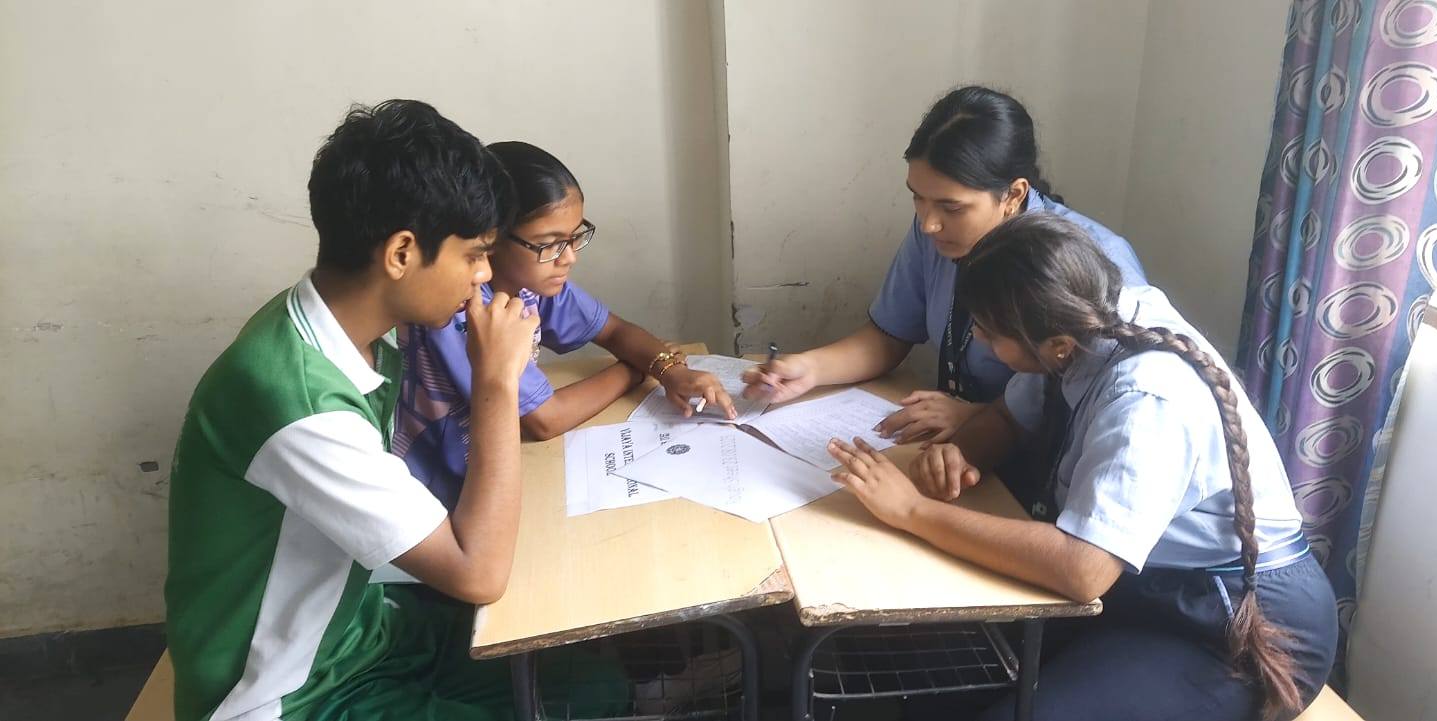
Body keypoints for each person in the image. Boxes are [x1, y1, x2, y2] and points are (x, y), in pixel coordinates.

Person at [825, 213, 1336, 720]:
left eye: (989, 332)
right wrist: (961, 454)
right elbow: (1007, 416)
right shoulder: (1075, 316)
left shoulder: (1148, 399)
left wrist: (912, 511)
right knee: (931, 670)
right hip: (1143, 586)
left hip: (1237, 625)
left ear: (1057, 346)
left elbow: (1082, 570)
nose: (978, 338)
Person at [164, 100, 569, 720]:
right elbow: (479, 572)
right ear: (402, 252)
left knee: (589, 681)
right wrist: (497, 383)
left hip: (360, 635)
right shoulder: (298, 401)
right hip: (285, 692)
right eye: (473, 255)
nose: (484, 275)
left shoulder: (351, 327)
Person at [744, 85, 1146, 446]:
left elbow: (1097, 409)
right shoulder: (936, 235)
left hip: (1039, 465)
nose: (928, 223)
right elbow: (890, 334)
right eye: (917, 198)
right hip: (956, 444)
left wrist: (978, 417)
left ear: (1013, 194)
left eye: (951, 207)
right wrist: (809, 368)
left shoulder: (1098, 264)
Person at [393, 141, 736, 508]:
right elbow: (545, 420)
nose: (568, 257)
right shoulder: (460, 311)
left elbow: (615, 331)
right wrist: (635, 370)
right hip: (439, 488)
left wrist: (672, 372)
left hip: (499, 465)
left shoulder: (532, 284)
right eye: (550, 244)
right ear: (492, 239)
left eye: (574, 237)